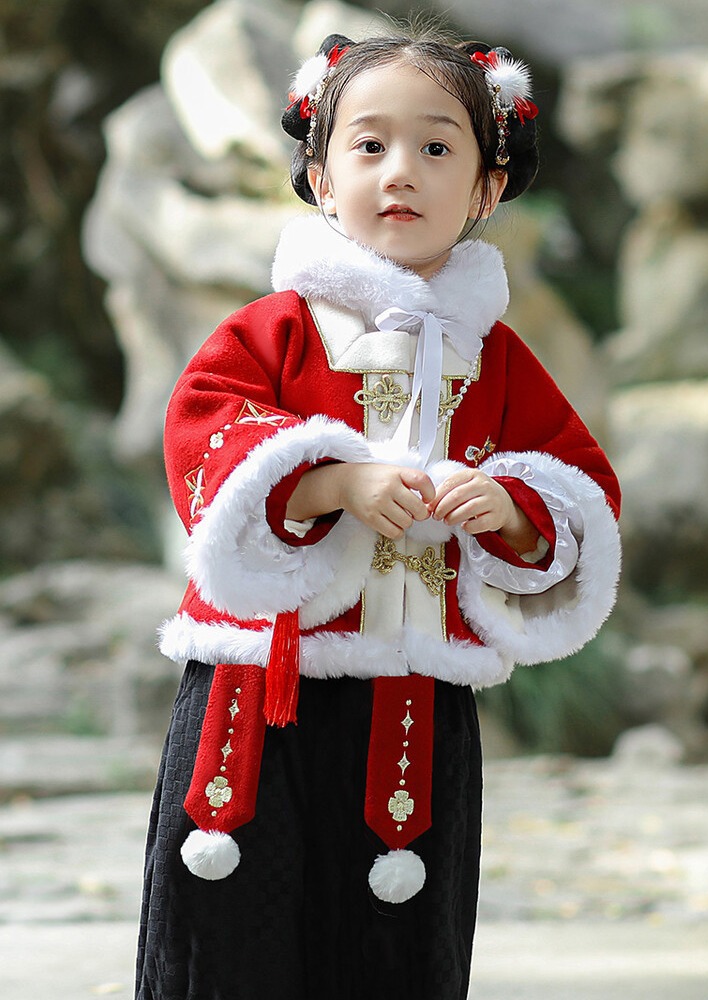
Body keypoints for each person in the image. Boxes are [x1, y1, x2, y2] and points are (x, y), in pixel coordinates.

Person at [136, 26, 621, 1000]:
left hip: (417, 695)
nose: (400, 170)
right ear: (321, 178)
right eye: (368, 145)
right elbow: (205, 431)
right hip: (260, 687)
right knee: (232, 925)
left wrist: (511, 508)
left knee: (395, 935)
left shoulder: (497, 359)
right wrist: (331, 483)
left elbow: (578, 485)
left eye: (437, 146)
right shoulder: (273, 330)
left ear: (486, 189)